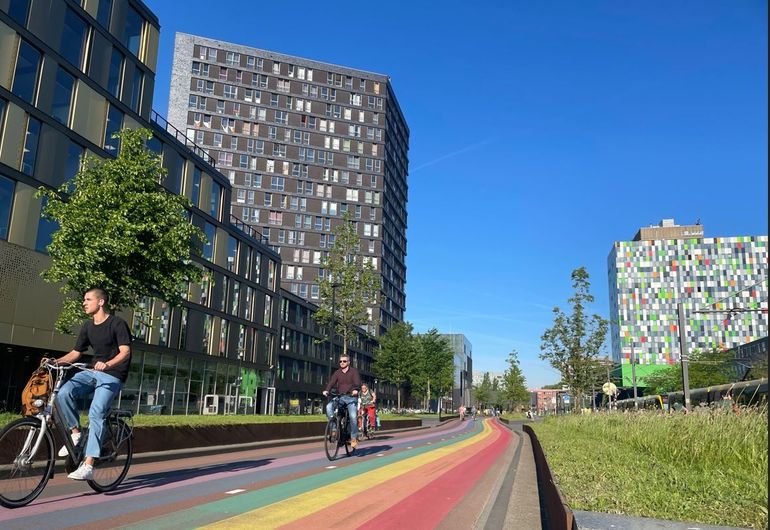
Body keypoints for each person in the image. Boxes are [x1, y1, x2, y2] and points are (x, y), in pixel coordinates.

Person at [51, 288, 132, 480]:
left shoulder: (117, 323)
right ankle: (76, 433)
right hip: (93, 372)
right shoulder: (88, 326)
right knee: (63, 393)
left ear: (101, 302)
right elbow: (75, 353)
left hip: (112, 374)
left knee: (96, 412)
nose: (84, 303)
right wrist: (54, 362)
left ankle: (88, 465)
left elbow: (125, 352)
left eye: (88, 299)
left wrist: (108, 364)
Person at [322, 354, 361, 448]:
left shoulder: (353, 372)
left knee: (353, 416)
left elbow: (357, 383)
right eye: (340, 361)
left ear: (348, 362)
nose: (342, 363)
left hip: (351, 398)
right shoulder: (337, 373)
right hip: (340, 397)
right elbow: (331, 382)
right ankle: (334, 428)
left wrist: (356, 390)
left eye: (344, 361)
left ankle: (353, 438)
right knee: (328, 407)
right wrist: (327, 390)